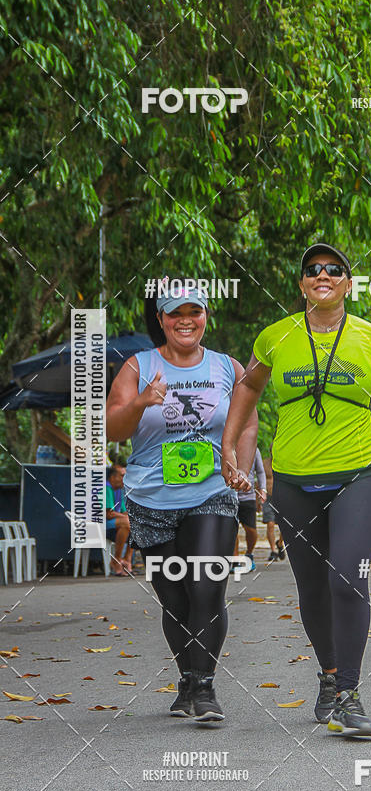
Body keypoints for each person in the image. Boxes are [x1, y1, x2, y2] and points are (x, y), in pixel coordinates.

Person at [221, 243, 371, 737]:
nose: (323, 275)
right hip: (293, 481)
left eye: (334, 270)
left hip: (360, 475)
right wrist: (230, 444)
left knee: (345, 578)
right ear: (301, 284)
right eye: (313, 270)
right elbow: (248, 388)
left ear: (348, 284)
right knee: (311, 587)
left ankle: (350, 695)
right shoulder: (275, 337)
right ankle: (331, 676)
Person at [106, 286, 257, 722]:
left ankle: (205, 688)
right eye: (176, 314)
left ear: (206, 316)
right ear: (162, 318)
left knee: (206, 586)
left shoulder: (227, 367)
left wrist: (238, 467)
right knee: (174, 598)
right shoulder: (139, 366)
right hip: (151, 498)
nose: (185, 320)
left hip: (211, 492)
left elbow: (248, 421)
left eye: (195, 311)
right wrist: (140, 402)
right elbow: (114, 428)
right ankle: (187, 680)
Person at [234, 448, 267, 570]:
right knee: (232, 529)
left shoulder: (254, 449)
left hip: (248, 496)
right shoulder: (227, 444)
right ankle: (235, 560)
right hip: (230, 495)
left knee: (251, 530)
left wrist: (263, 489)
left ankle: (249, 553)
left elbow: (260, 471)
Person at [105, 464, 132, 576]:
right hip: (98, 525)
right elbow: (108, 514)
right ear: (112, 477)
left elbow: (123, 511)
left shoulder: (120, 490)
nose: (124, 479)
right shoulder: (105, 488)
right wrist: (126, 518)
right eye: (122, 476)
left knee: (136, 523)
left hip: (114, 524)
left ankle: (127, 560)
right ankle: (116, 561)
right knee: (126, 522)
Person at [262, 448, 285, 563]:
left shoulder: (283, 462)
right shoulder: (264, 463)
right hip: (267, 497)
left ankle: (280, 543)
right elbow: (260, 479)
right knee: (270, 523)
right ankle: (273, 551)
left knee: (284, 525)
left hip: (281, 496)